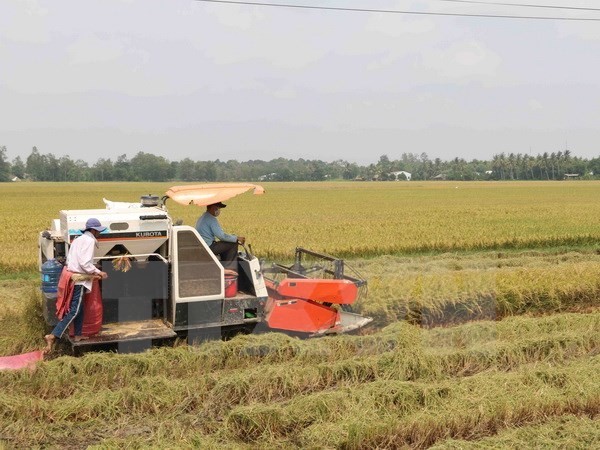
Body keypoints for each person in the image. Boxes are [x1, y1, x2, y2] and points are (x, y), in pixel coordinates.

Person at [43, 218, 108, 353]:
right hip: (79, 280)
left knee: (80, 308)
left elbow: (75, 260)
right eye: (99, 231)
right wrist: (98, 272)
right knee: (75, 310)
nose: (99, 234)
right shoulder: (89, 241)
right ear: (94, 230)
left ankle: (78, 334)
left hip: (73, 276)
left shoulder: (78, 239)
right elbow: (85, 263)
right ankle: (53, 335)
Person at [195, 202, 245, 270]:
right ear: (213, 207)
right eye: (218, 208)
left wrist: (233, 237)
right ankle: (230, 270)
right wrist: (237, 238)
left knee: (225, 244)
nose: (219, 210)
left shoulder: (203, 217)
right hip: (209, 247)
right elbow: (222, 236)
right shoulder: (211, 219)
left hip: (203, 246)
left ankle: (223, 266)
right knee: (233, 244)